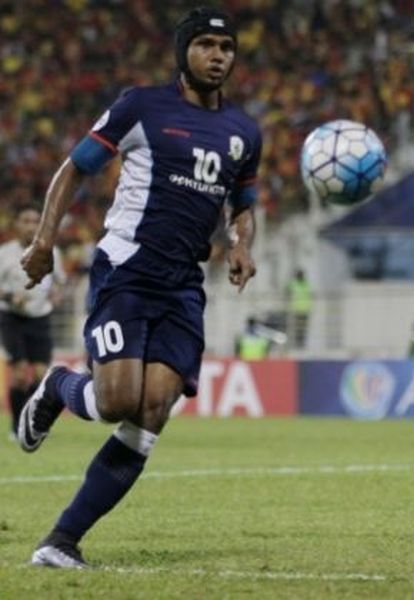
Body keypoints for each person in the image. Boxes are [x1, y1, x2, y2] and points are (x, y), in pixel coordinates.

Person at [17, 7, 261, 567]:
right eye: (205, 45)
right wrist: (44, 241)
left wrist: (243, 243)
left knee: (151, 413)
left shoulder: (245, 132)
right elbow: (73, 167)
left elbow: (243, 204)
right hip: (128, 269)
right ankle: (58, 387)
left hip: (183, 285)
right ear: (184, 53)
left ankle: (62, 541)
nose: (217, 56)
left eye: (226, 48)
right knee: (115, 402)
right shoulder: (142, 106)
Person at [0, 204, 66, 437]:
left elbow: (60, 281)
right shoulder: (5, 253)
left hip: (41, 317)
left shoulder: (51, 252)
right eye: (25, 221)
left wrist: (57, 292)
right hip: (11, 317)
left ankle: (30, 423)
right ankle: (17, 426)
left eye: (35, 221)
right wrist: (9, 296)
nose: (31, 226)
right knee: (18, 376)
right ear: (16, 225)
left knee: (40, 375)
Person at [288, 269, 312, 350]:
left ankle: (301, 344)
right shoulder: (294, 284)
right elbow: (287, 291)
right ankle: (298, 344)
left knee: (303, 329)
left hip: (305, 310)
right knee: (297, 329)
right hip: (296, 310)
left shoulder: (307, 284)